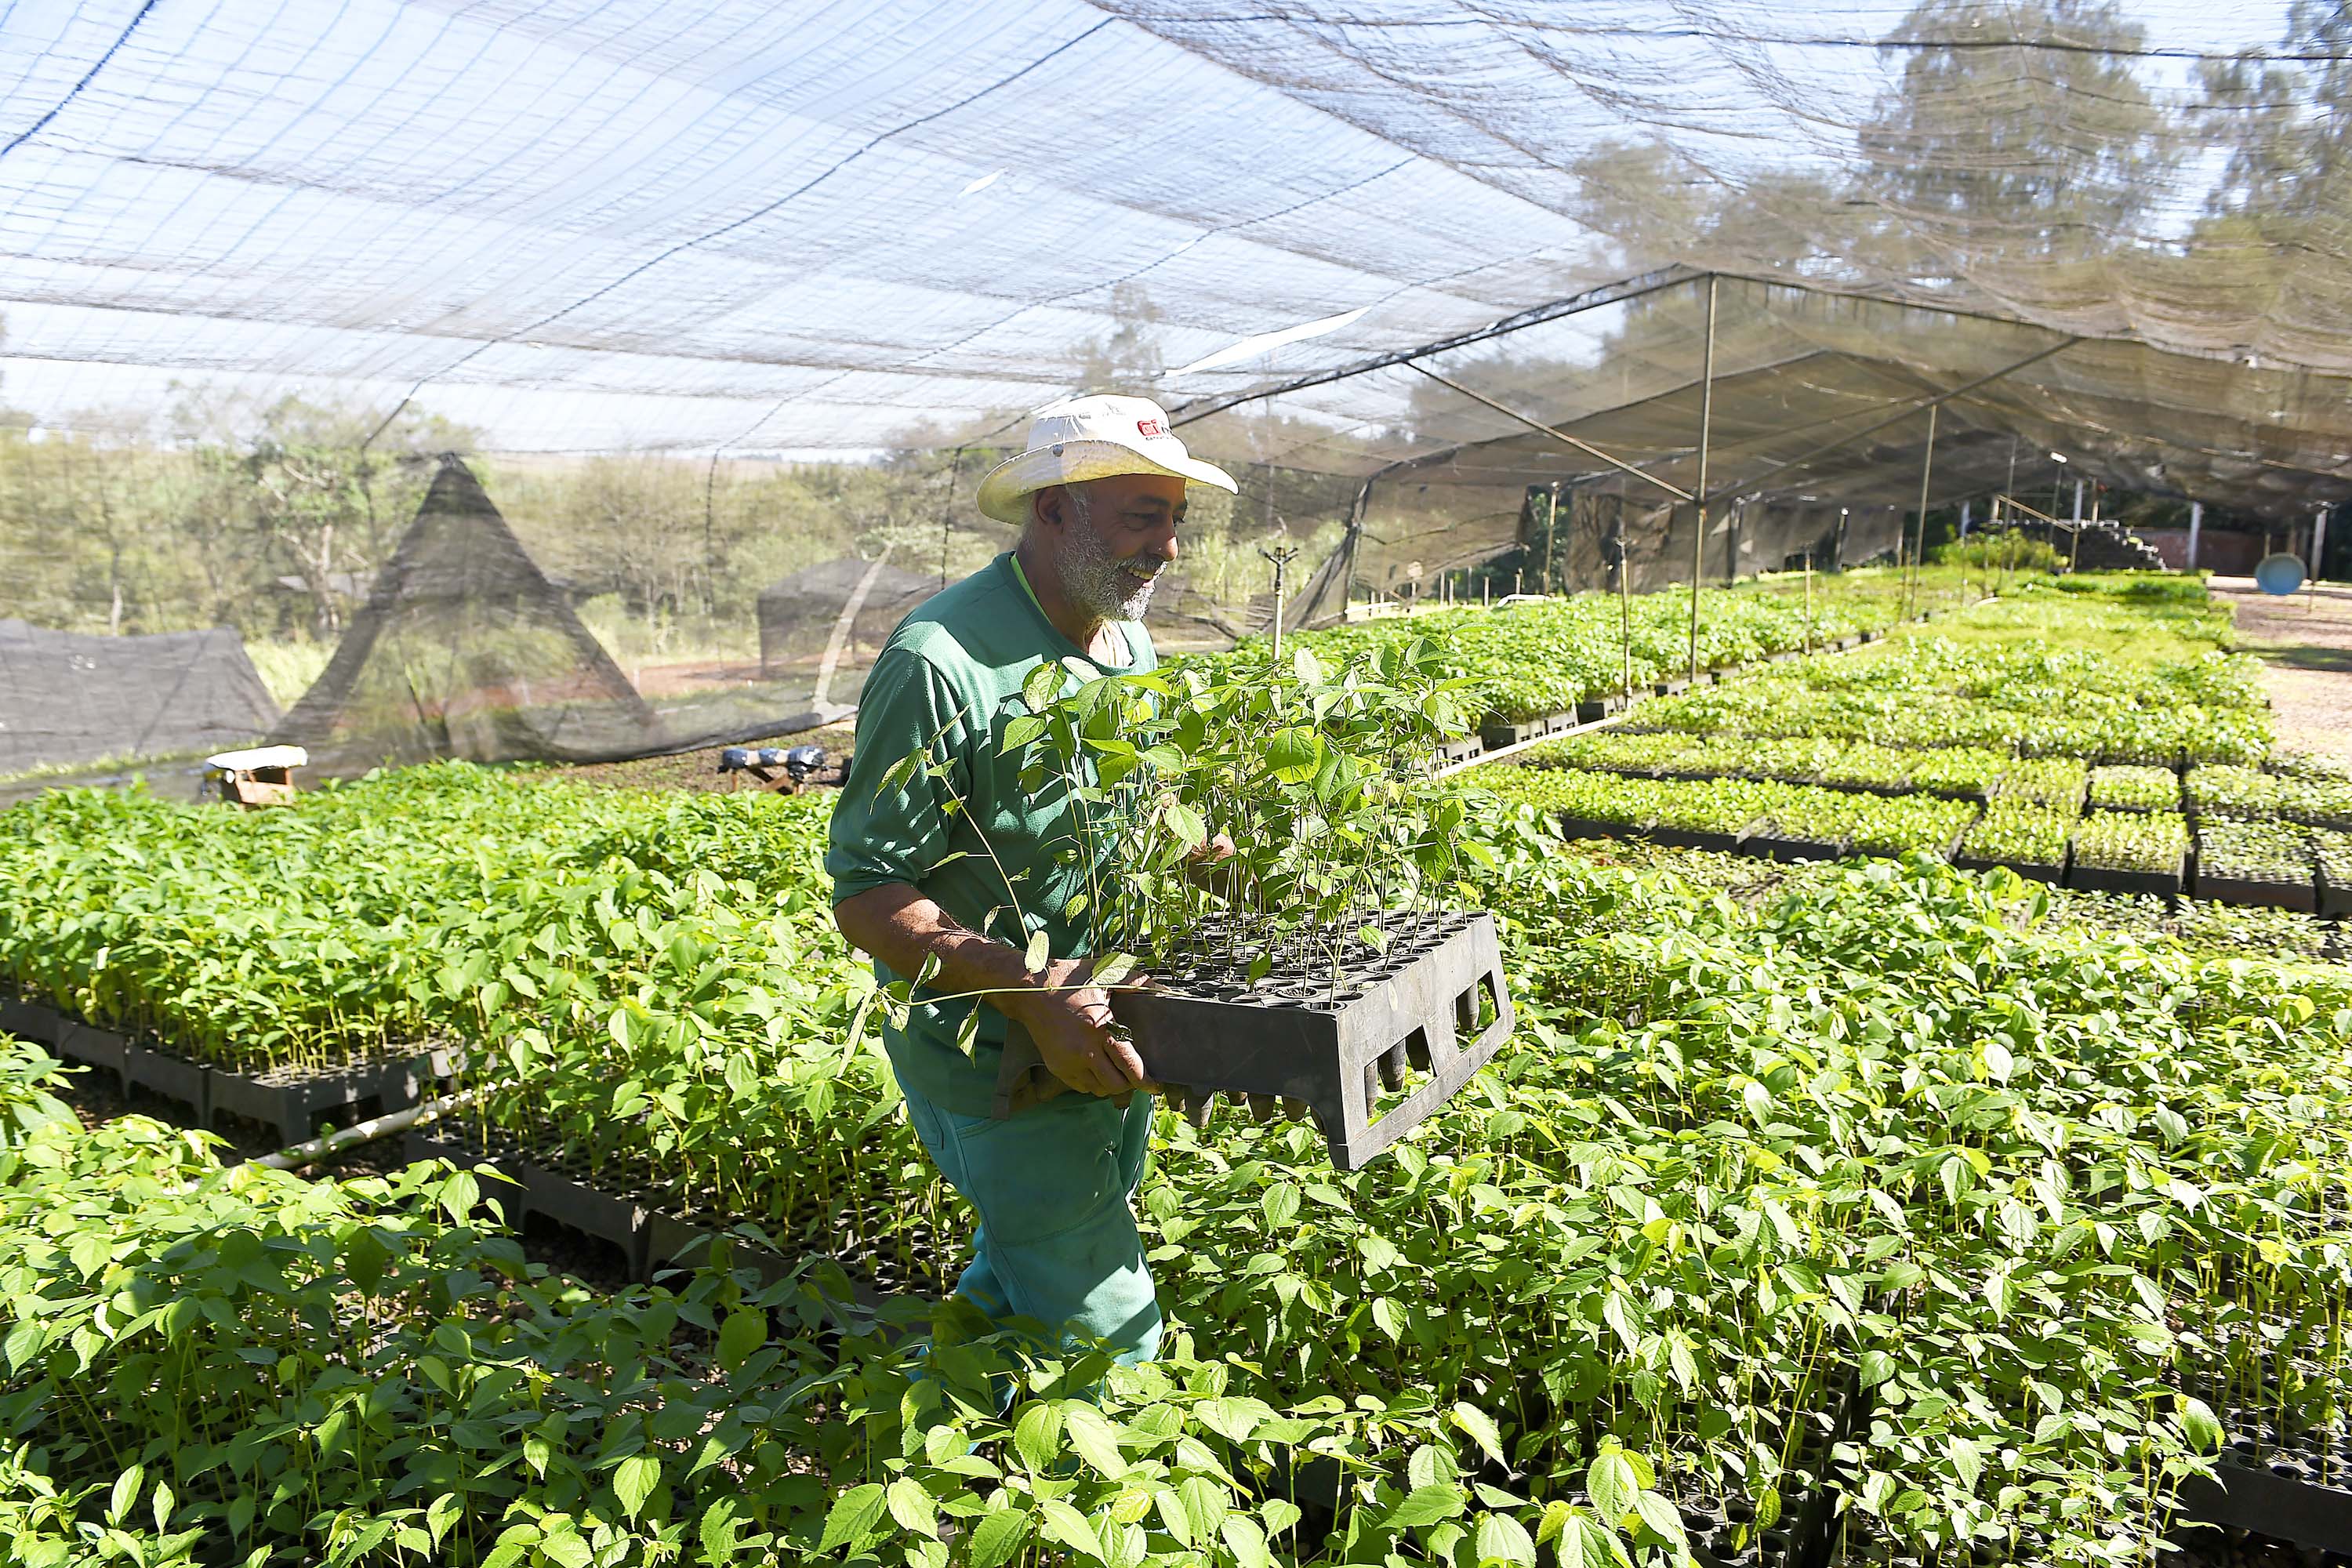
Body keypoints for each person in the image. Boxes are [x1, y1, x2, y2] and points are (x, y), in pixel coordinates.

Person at [826, 394, 1239, 1370]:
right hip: (997, 1062)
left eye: (1175, 517)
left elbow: (1126, 805)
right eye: (1144, 516)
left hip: (1107, 1030)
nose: (1168, 547)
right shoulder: (941, 661)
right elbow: (869, 890)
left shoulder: (1124, 641)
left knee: (1022, 1277)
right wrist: (1032, 989)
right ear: (1054, 509)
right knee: (1111, 1335)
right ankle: (1123, 1490)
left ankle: (938, 1432)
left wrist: (1193, 846)